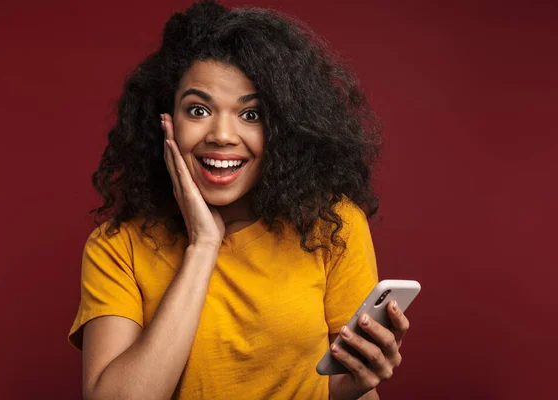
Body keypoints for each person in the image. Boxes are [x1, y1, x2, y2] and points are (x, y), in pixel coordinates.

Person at [68, 1, 411, 399]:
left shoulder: (332, 227)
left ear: (283, 128)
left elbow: (339, 389)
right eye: (198, 109)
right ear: (166, 122)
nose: (222, 135)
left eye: (251, 115)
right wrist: (203, 245)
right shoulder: (117, 248)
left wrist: (353, 386)